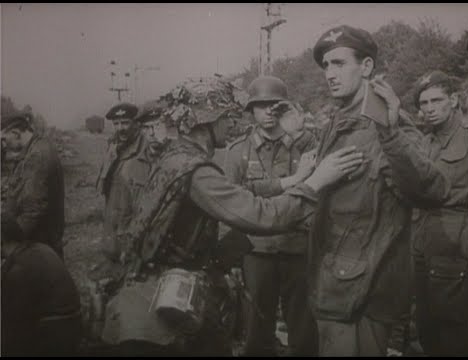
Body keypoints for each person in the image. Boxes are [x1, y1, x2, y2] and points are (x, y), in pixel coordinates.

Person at [91, 76, 365, 356]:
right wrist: (315, 182)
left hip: (149, 292)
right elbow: (261, 215)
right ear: (206, 121)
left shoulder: (173, 156)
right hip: (160, 308)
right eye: (225, 117)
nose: (232, 124)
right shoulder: (197, 172)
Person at [306, 25, 451, 356]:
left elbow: (434, 190)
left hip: (366, 293)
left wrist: (390, 133)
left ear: (367, 67)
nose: (329, 73)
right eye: (326, 65)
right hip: (331, 284)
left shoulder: (389, 123)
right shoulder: (335, 124)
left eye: (339, 63)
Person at [223, 75, 318, 356]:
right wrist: (289, 182)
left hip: (299, 247)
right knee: (256, 329)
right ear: (251, 110)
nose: (268, 112)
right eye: (260, 106)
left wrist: (300, 131)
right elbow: (234, 199)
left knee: (304, 329)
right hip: (256, 251)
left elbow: (323, 182)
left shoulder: (306, 144)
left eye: (275, 106)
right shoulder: (238, 151)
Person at [410, 70, 468, 356]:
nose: (429, 109)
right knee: (425, 324)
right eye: (424, 103)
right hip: (422, 238)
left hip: (456, 239)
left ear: (453, 100)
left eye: (436, 100)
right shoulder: (425, 142)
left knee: (452, 327)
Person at [1, 213, 82, 356]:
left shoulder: (18, 269)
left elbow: (13, 325)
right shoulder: (41, 248)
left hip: (53, 335)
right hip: (74, 327)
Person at [1, 109, 65, 258]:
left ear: (16, 134)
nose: (3, 145)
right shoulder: (36, 147)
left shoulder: (37, 156)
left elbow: (32, 211)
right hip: (40, 243)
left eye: (3, 139)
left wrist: (9, 243)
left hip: (38, 245)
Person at [95, 102, 153, 261]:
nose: (120, 128)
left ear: (136, 124)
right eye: (116, 123)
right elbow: (103, 187)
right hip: (113, 221)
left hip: (134, 227)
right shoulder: (113, 146)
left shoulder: (147, 148)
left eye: (126, 122)